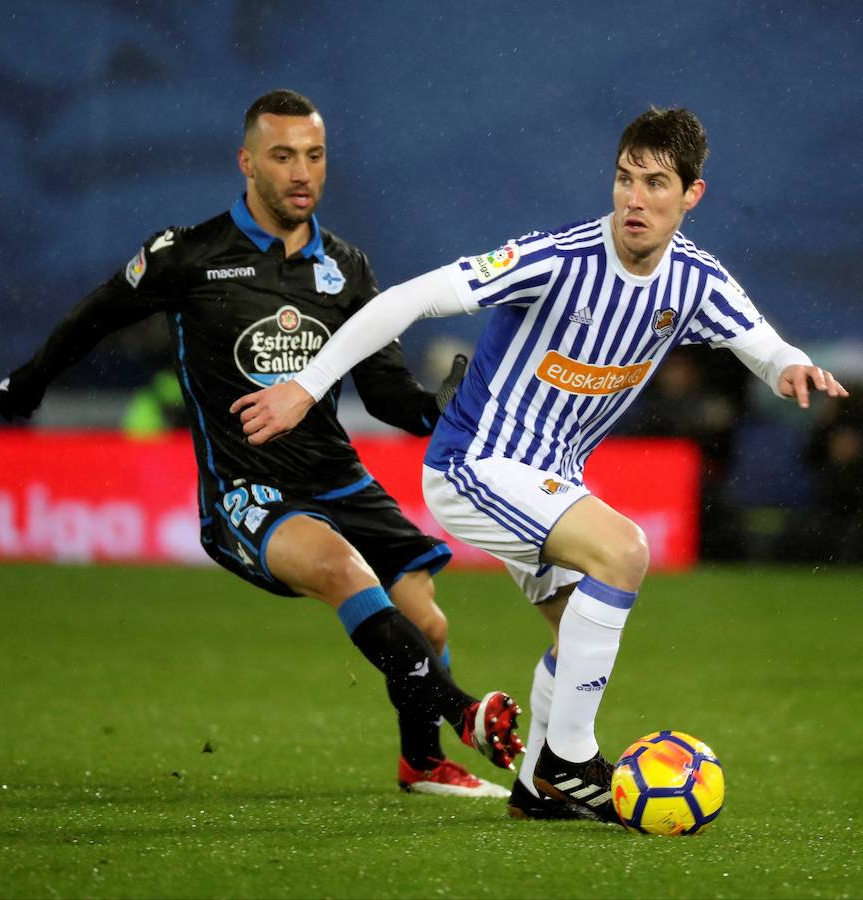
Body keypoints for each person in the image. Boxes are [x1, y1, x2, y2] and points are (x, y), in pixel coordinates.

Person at [231, 106, 849, 823]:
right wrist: (309, 386)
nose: (634, 199)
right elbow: (409, 299)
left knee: (574, 629)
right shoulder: (560, 260)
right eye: (624, 179)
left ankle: (539, 787)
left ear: (692, 196)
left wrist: (793, 368)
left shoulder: (695, 280)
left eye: (655, 183)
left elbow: (763, 345)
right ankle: (572, 756)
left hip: (550, 475)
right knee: (624, 552)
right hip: (477, 461)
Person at [0, 89, 524, 798]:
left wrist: (442, 412)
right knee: (344, 573)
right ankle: (467, 714)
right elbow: (97, 315)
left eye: (314, 155)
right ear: (247, 162)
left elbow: (387, 392)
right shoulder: (189, 254)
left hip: (336, 477)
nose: (301, 172)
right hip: (250, 490)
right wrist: (29, 384)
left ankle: (422, 764)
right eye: (282, 156)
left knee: (426, 620)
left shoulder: (347, 268)